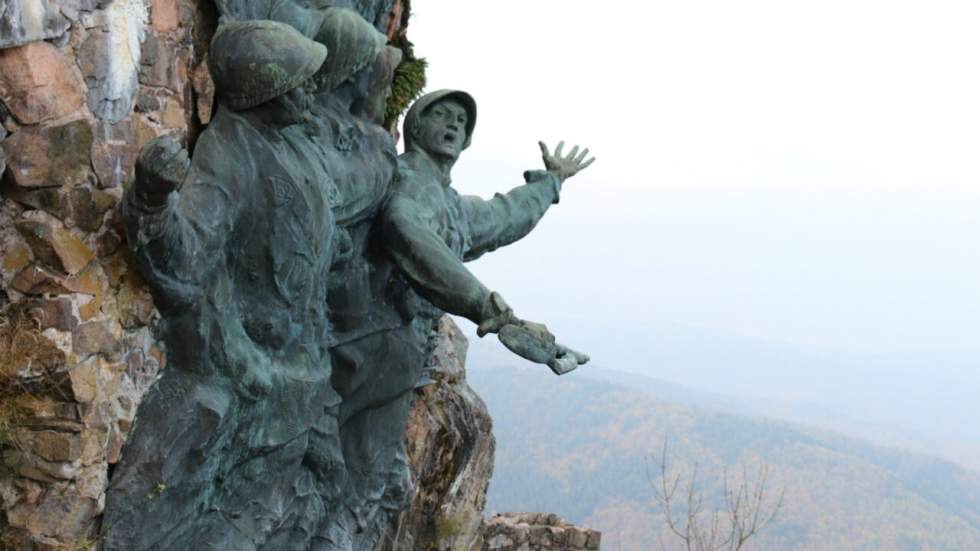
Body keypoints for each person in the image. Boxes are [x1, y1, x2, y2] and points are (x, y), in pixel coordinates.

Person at [102, 20, 346, 550]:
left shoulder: (293, 146)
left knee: (305, 508)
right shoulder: (228, 153)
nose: (311, 90)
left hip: (302, 375)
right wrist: (151, 196)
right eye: (299, 80)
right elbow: (185, 259)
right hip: (249, 378)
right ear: (265, 88)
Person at [329, 88, 594, 546]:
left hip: (395, 361)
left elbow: (500, 216)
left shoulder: (448, 202)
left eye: (461, 121)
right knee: (355, 492)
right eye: (442, 116)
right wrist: (494, 312)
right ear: (414, 128)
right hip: (368, 349)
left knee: (375, 490)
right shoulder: (407, 181)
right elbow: (409, 233)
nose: (453, 125)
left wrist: (549, 183)